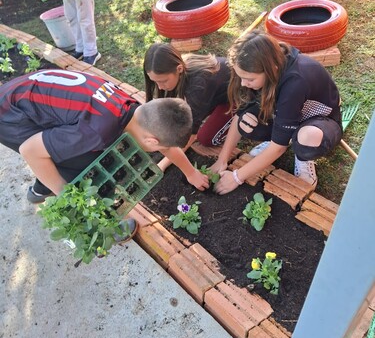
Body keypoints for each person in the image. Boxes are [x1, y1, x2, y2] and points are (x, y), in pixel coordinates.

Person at [0, 69, 209, 212]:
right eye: (161, 147)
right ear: (153, 142)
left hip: (29, 93)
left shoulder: (135, 109)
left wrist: (191, 172)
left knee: (73, 149)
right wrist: (69, 198)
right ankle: (48, 189)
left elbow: (164, 141)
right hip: (10, 116)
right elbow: (30, 150)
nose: (162, 150)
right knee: (81, 166)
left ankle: (40, 188)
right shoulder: (95, 132)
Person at [210, 31, 343, 195]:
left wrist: (236, 177)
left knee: (307, 137)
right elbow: (239, 116)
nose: (244, 83)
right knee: (246, 120)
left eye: (250, 79)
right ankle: (281, 136)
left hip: (320, 121)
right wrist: (222, 160)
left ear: (272, 68)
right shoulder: (261, 69)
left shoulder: (295, 82)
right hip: (288, 112)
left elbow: (278, 149)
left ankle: (302, 158)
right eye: (241, 77)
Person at [144, 42, 233, 171]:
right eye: (155, 82)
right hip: (215, 92)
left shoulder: (198, 86)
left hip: (238, 97)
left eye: (163, 81)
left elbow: (191, 134)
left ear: (179, 69)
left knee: (206, 138)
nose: (160, 87)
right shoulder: (178, 67)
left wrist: (163, 164)